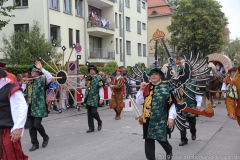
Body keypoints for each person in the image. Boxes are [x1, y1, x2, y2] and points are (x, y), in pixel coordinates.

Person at [136, 67, 176, 160]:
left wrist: (171, 117)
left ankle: (169, 150)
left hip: (161, 119)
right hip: (148, 119)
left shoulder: (166, 88)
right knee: (148, 140)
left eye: (156, 74)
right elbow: (139, 101)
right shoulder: (146, 87)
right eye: (152, 74)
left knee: (161, 139)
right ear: (149, 77)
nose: (154, 76)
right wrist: (141, 90)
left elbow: (172, 104)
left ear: (160, 76)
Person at [22, 61, 52, 151]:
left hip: (39, 106)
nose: (31, 73)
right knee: (31, 126)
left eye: (33, 71)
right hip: (30, 106)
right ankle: (35, 144)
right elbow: (23, 92)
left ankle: (45, 137)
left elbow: (50, 77)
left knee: (37, 124)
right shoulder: (30, 81)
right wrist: (23, 83)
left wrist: (42, 68)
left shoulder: (42, 79)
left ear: (38, 72)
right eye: (31, 71)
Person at [0, 67, 28, 159]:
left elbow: (21, 107)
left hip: (7, 131)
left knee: (11, 157)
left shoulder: (10, 87)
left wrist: (18, 127)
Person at [84, 65, 104, 133]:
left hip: (95, 97)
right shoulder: (88, 78)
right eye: (90, 70)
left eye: (92, 70)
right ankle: (91, 128)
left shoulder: (99, 78)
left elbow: (101, 88)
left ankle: (99, 121)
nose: (91, 71)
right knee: (89, 114)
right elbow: (84, 85)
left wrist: (101, 98)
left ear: (95, 71)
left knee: (94, 112)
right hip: (88, 97)